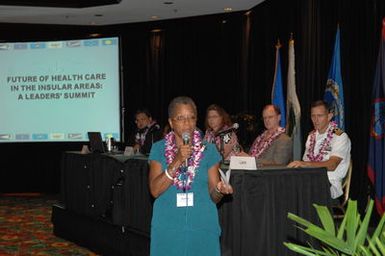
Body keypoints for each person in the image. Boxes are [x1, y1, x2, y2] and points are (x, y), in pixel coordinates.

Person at [148, 96, 233, 256]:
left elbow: (214, 196)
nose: (187, 123)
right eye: (181, 118)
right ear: (171, 122)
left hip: (202, 227)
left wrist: (220, 190)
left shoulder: (209, 150)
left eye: (191, 117)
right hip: (168, 227)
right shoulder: (159, 149)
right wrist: (177, 160)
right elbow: (155, 190)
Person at [287, 100, 351, 199]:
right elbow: (306, 162)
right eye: (313, 116)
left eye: (320, 116)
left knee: (298, 190)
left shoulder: (340, 135)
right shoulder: (311, 136)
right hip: (310, 179)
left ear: (329, 116)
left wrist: (305, 164)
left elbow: (332, 165)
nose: (316, 120)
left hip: (329, 183)